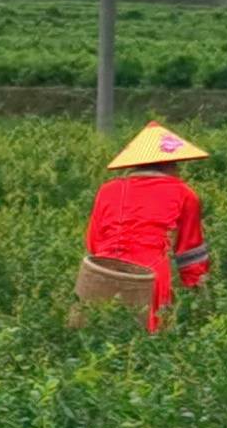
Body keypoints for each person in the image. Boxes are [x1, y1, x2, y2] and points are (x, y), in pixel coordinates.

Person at [83, 122, 215, 329]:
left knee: (98, 334)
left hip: (104, 272)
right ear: (168, 164)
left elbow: (94, 242)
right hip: (150, 275)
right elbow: (190, 251)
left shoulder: (107, 190)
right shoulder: (183, 193)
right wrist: (200, 292)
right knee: (147, 341)